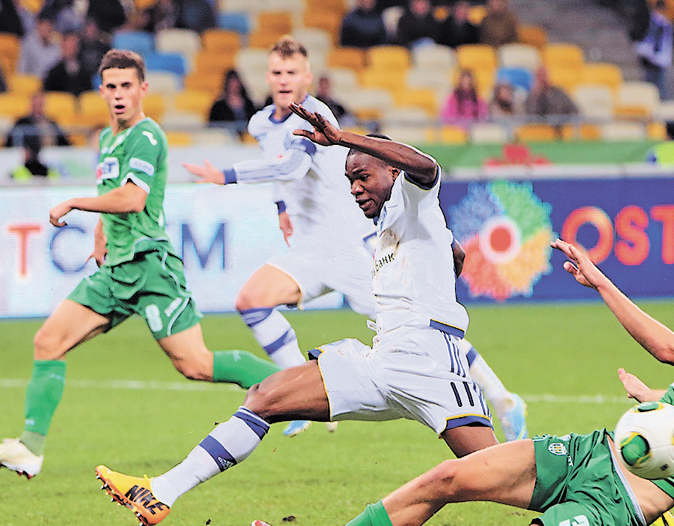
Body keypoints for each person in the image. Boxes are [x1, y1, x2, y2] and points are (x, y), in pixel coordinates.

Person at [95, 102, 536, 526]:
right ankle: (160, 492)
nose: (355, 189)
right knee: (265, 397)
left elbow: (428, 166)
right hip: (382, 361)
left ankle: (579, 504)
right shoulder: (390, 226)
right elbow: (454, 252)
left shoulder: (412, 194)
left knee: (500, 475)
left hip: (432, 365)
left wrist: (341, 137)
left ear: (392, 172)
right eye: (349, 182)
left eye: (362, 176)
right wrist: (444, 262)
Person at [251, 249, 674, 526]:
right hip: (590, 454)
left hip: (616, 508)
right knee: (448, 477)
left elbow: (670, 350)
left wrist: (601, 282)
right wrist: (648, 398)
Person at [184, 36, 527, 439]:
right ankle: (292, 387)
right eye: (277, 72)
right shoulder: (260, 123)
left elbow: (292, 167)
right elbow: (274, 167)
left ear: (307, 76)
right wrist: (281, 209)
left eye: (292, 73)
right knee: (251, 301)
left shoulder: (315, 114)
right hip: (311, 249)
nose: (283, 80)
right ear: (268, 76)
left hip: (351, 248)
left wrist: (225, 176)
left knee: (419, 328)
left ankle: (502, 397)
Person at [0, 49, 282, 480]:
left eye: (127, 86)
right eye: (111, 87)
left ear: (142, 89)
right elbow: (113, 193)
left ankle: (295, 386)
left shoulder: (147, 136)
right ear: (101, 91)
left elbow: (133, 197)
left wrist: (75, 202)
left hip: (152, 268)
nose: (119, 95)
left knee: (196, 365)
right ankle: (29, 449)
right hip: (116, 272)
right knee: (48, 342)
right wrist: (100, 236)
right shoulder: (106, 139)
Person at [4, 91, 71, 149]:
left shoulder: (51, 122)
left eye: (40, 104)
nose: (38, 107)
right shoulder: (22, 122)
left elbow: (64, 142)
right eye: (36, 104)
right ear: (31, 105)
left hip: (52, 154)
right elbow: (9, 142)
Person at [634, 0, 673, 101]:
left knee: (657, 86)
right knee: (653, 86)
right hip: (655, 57)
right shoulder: (657, 22)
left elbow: (659, 41)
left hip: (657, 57)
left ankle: (661, 104)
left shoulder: (661, 23)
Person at [43, 31, 94, 96]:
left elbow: (88, 93)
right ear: (62, 46)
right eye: (69, 45)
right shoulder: (54, 72)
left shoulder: (85, 72)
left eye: (74, 44)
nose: (72, 48)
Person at [207, 69, 257, 135]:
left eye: (236, 82)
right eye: (232, 82)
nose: (234, 85)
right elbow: (212, 125)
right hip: (226, 140)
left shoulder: (248, 104)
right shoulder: (218, 106)